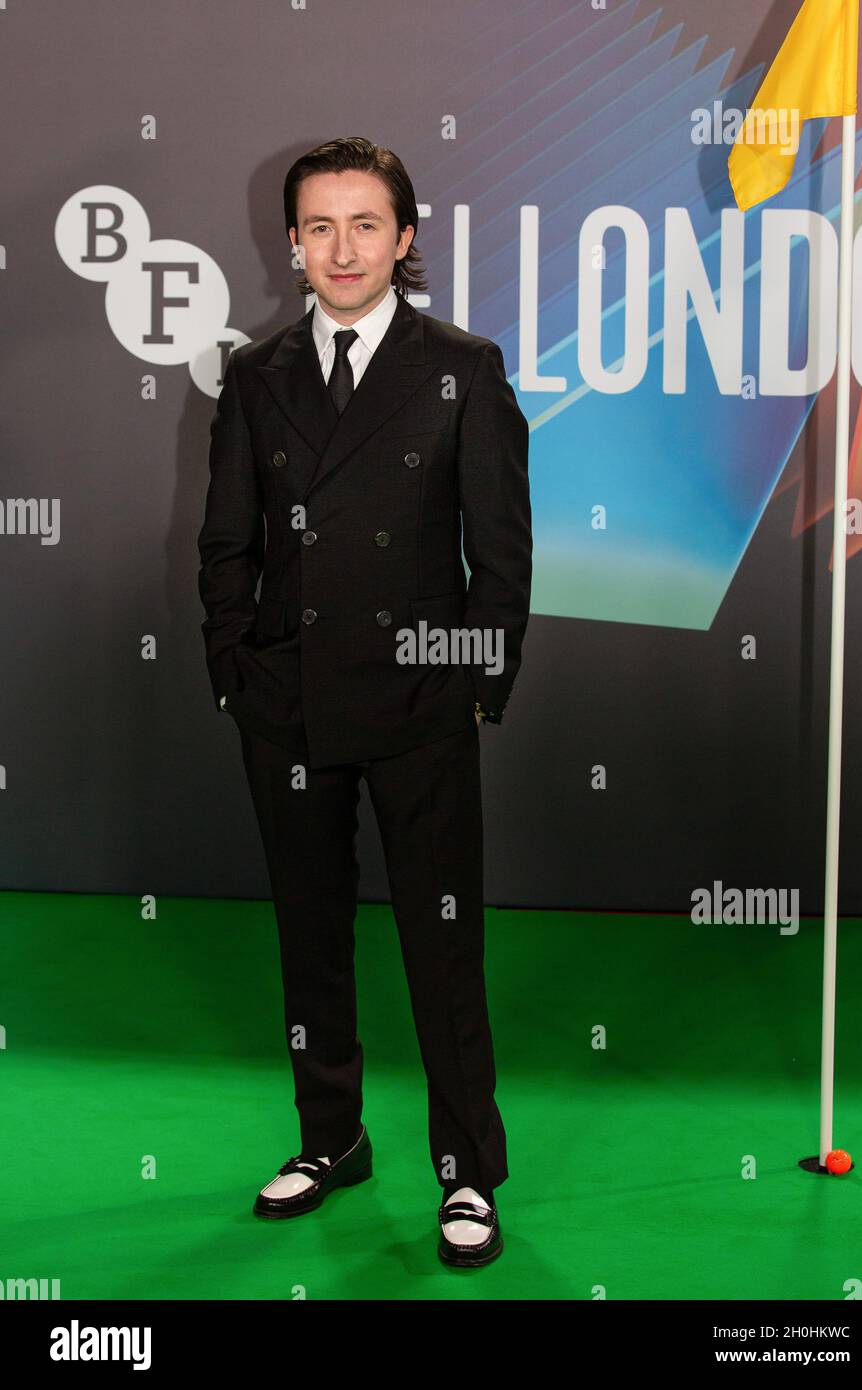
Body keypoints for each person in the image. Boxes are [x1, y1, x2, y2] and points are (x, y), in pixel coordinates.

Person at [197, 135, 531, 1267]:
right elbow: (226, 542)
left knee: (444, 947)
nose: (343, 248)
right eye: (320, 226)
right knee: (310, 933)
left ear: (405, 238)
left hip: (421, 702)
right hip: (285, 706)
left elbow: (501, 550)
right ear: (292, 243)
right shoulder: (256, 375)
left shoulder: (464, 368)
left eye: (366, 224)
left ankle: (467, 1172)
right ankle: (330, 1139)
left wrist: (475, 684)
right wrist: (235, 669)